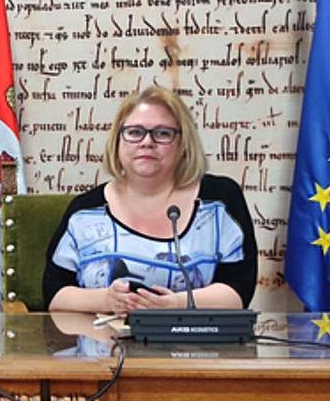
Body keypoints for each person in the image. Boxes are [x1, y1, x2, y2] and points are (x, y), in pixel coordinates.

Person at [43, 86, 257, 314]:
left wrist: (175, 304)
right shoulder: (85, 210)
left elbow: (238, 290)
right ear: (117, 141)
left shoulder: (220, 200)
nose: (147, 142)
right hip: (103, 344)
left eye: (163, 133)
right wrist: (106, 300)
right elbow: (54, 294)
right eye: (135, 132)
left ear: (183, 145)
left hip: (195, 345)